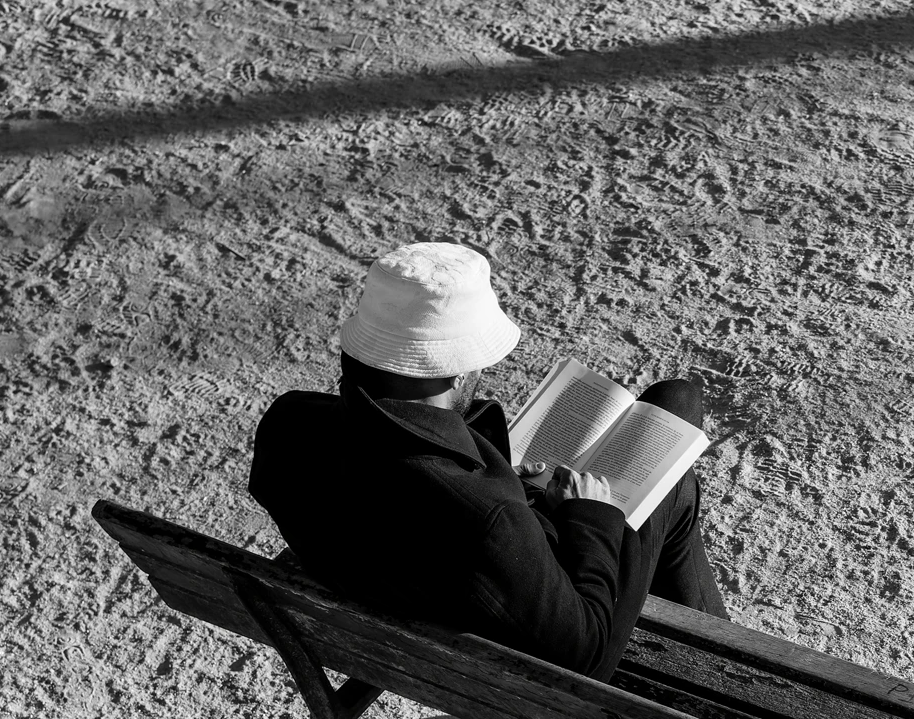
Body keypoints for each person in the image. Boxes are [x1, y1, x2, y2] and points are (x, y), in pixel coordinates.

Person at [248, 241, 728, 682]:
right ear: (459, 373)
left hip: (417, 585)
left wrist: (494, 476)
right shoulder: (487, 522)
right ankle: (720, 673)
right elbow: (588, 657)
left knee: (675, 399)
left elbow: (402, 490)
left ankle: (715, 653)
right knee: (675, 467)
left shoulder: (289, 425)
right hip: (521, 628)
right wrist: (591, 514)